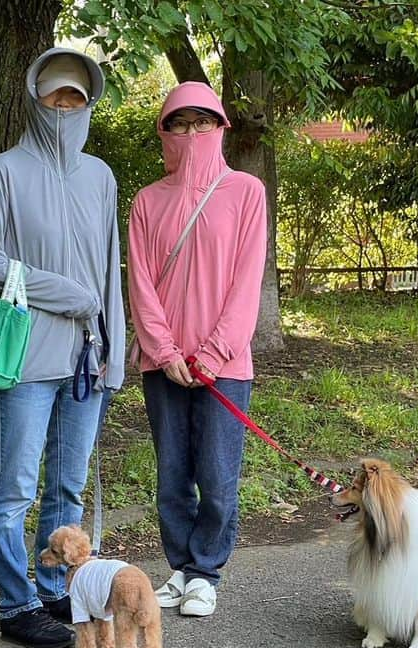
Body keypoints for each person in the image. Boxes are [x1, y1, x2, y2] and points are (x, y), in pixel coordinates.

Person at [0, 48, 126, 648]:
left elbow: (110, 268)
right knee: (16, 489)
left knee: (68, 487)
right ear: (36, 100)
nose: (65, 106)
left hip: (89, 358)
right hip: (28, 359)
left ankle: (56, 585)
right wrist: (64, 295)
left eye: (76, 98)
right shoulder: (5, 171)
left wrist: (115, 345)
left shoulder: (100, 176)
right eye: (56, 95)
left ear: (88, 105)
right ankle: (16, 603)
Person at [127, 81, 267, 618]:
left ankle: (206, 571)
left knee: (216, 472)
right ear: (165, 131)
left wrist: (210, 354)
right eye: (179, 123)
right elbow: (140, 283)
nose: (191, 133)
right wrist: (165, 351)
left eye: (201, 122)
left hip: (224, 366)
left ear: (220, 127)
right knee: (172, 474)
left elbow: (246, 281)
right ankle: (181, 567)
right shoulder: (147, 200)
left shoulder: (245, 192)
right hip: (163, 364)